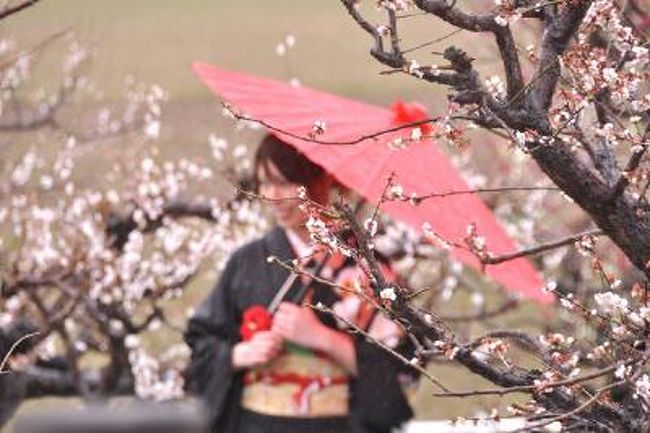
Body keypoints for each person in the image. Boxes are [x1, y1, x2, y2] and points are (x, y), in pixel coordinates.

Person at [184, 134, 415, 433]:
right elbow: (202, 342)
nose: (271, 195)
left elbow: (399, 369)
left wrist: (323, 338)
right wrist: (239, 354)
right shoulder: (248, 260)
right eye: (264, 182)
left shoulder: (370, 269)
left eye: (283, 182)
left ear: (320, 178)